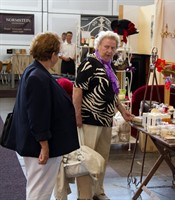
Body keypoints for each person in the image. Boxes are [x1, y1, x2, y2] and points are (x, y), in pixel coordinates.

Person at [6, 32, 79, 200]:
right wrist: (44, 146)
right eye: (58, 53)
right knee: (40, 191)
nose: (58, 57)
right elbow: (37, 115)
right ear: (52, 54)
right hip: (39, 145)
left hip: (37, 142)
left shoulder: (35, 71)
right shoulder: (38, 76)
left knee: (38, 188)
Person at [73, 30, 134, 200]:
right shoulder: (88, 64)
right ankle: (84, 195)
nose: (109, 51)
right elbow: (77, 91)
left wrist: (122, 110)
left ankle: (98, 191)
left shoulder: (109, 66)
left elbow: (112, 93)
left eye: (113, 48)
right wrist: (77, 115)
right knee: (87, 159)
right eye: (106, 47)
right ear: (98, 46)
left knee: (101, 159)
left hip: (106, 120)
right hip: (89, 119)